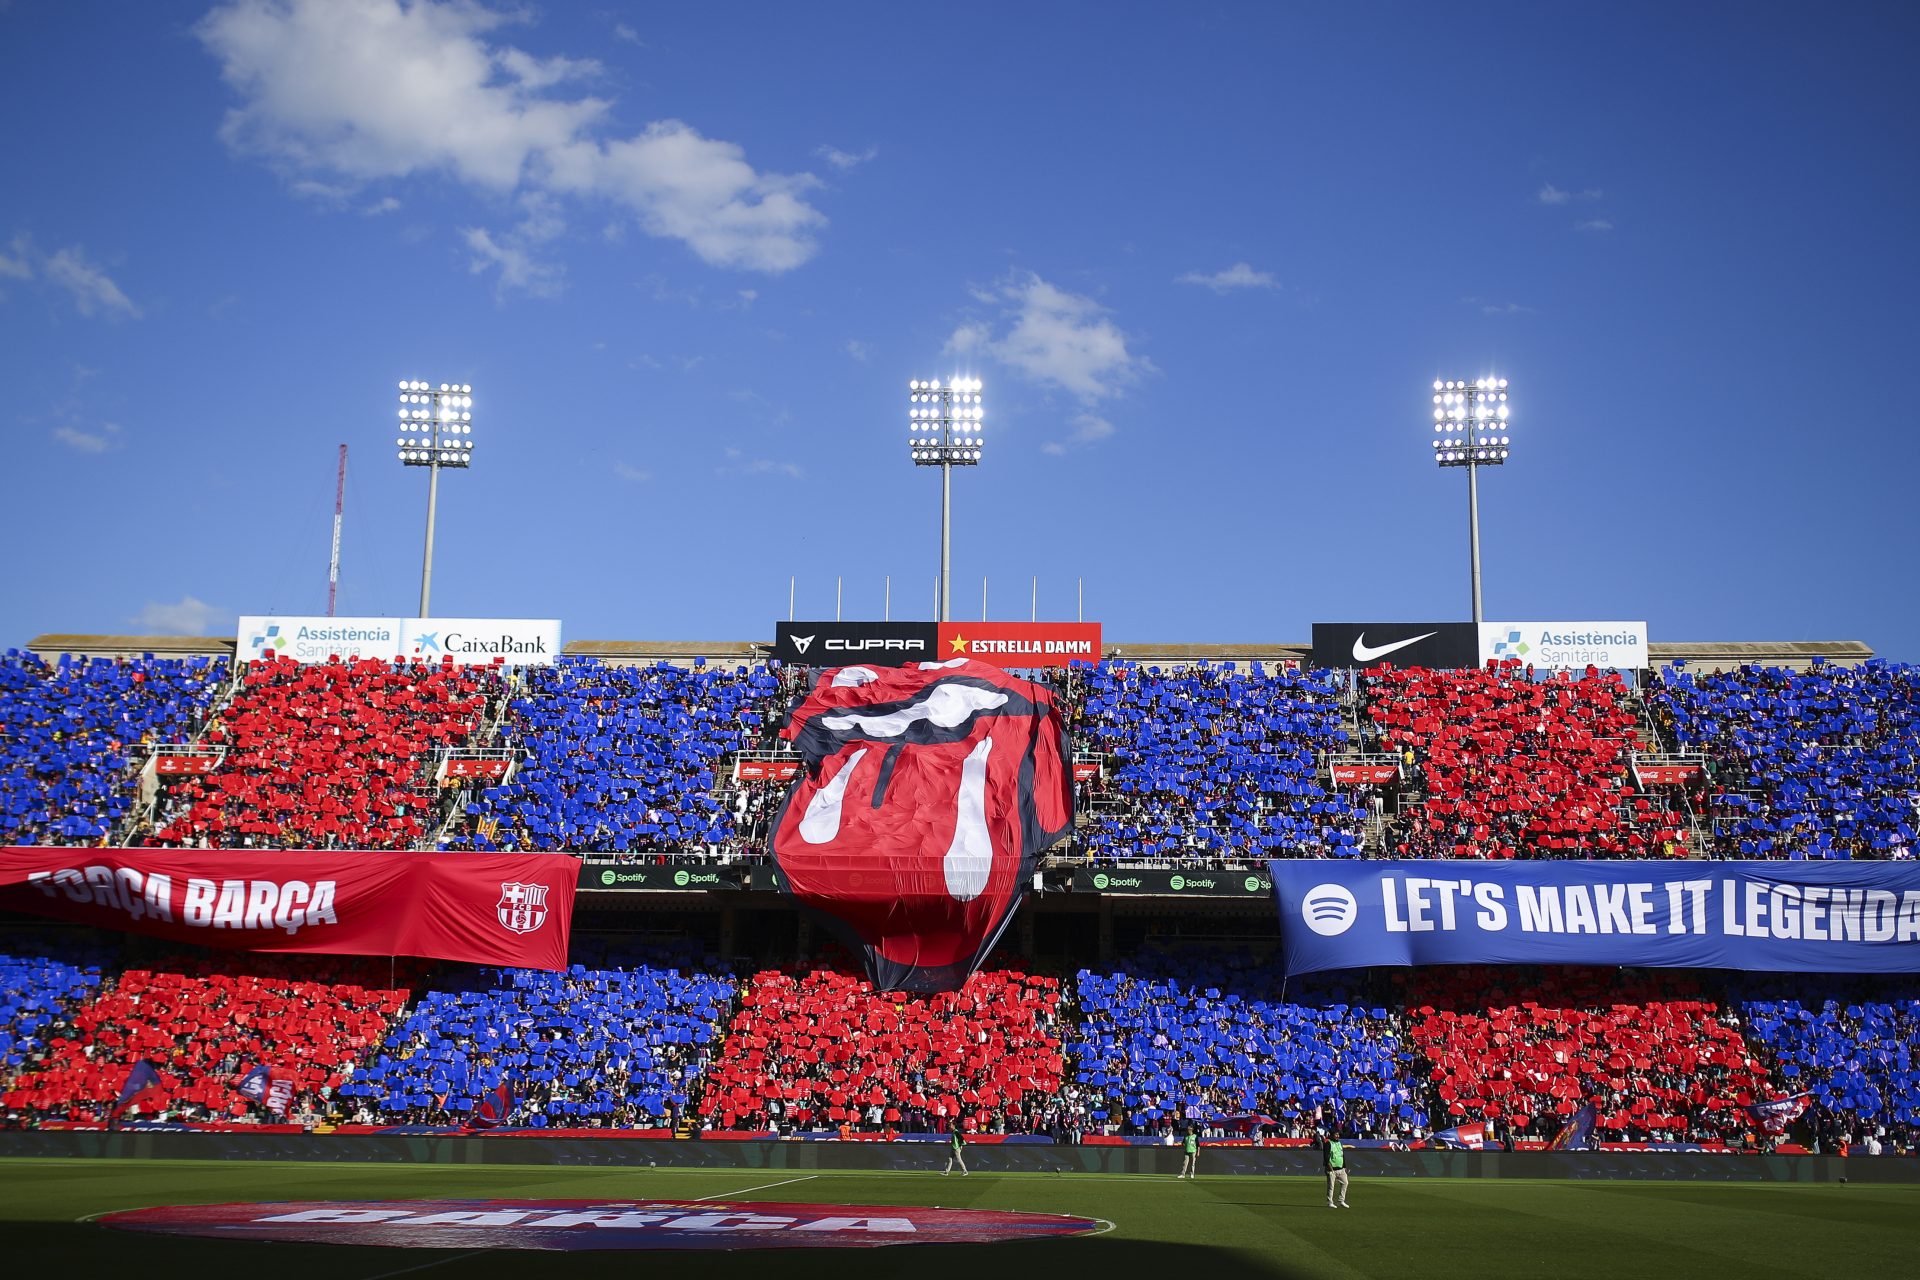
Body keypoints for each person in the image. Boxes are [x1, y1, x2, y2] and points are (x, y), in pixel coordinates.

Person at [1321, 1130, 1349, 1208]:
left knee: (1345, 1183)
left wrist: (1344, 1166)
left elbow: (1342, 1155)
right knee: (1331, 1186)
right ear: (1332, 1135)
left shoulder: (1339, 1143)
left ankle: (1341, 1201)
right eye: (1336, 1134)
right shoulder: (1328, 1143)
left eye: (1338, 1134)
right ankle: (1330, 1202)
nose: (1337, 1136)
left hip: (1341, 1168)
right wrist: (1330, 1168)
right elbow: (1326, 1156)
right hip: (1332, 1169)